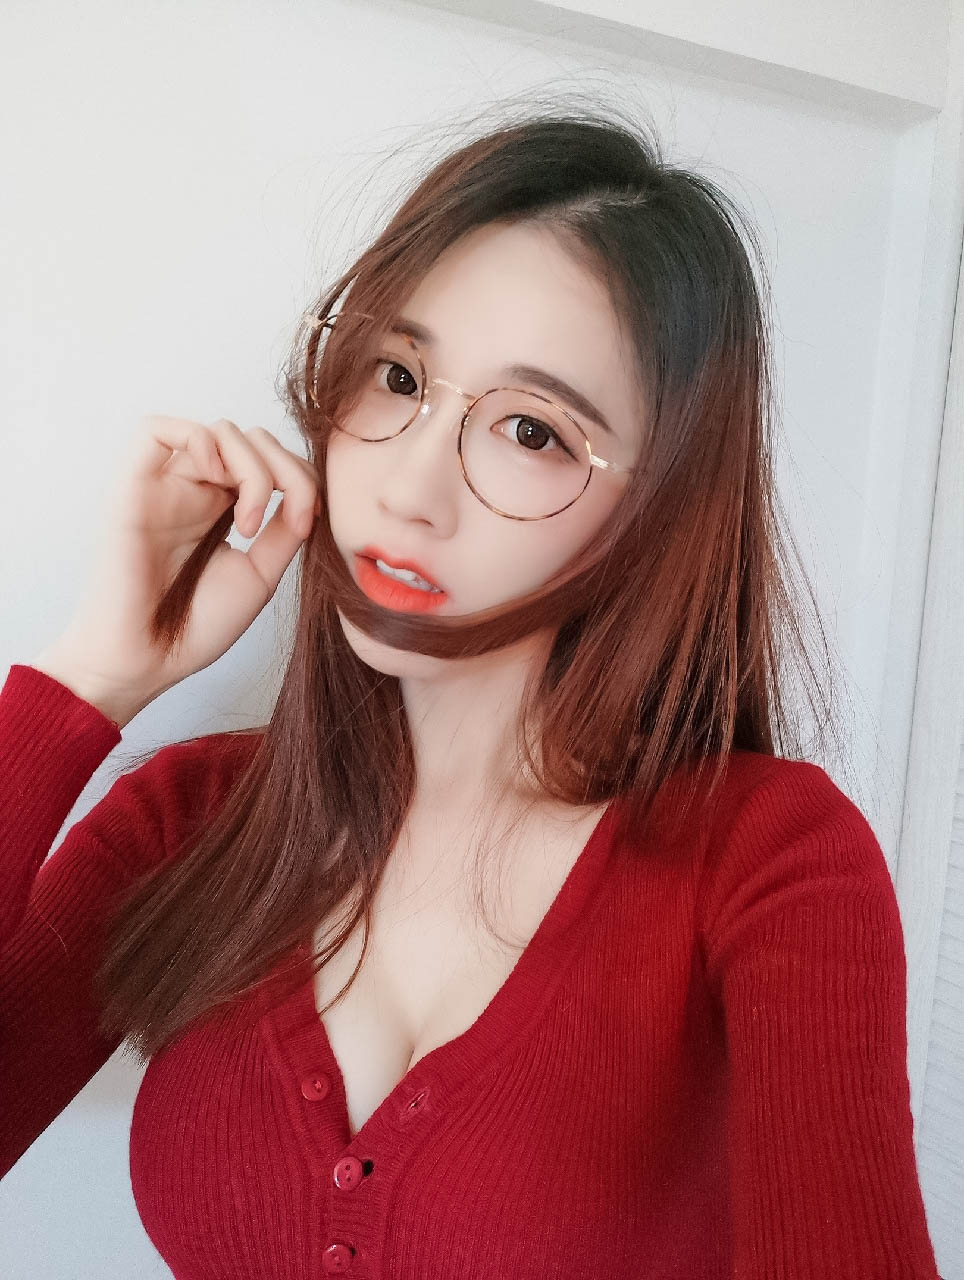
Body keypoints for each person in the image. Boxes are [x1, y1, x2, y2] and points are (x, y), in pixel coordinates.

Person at [0, 102, 940, 1278]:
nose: (408, 487)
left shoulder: (767, 862)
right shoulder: (190, 823)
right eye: (397, 375)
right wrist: (87, 679)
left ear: (656, 509)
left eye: (532, 432)